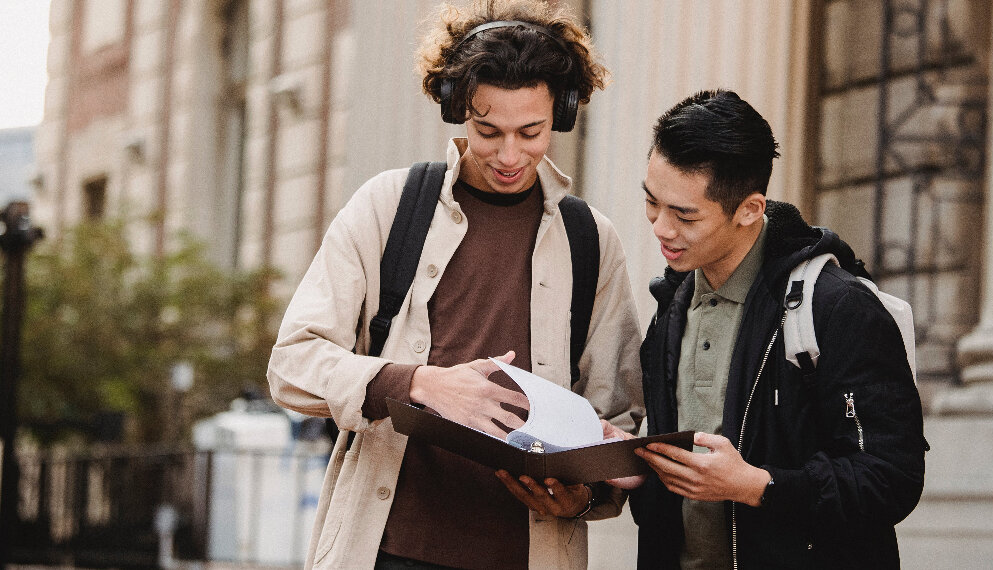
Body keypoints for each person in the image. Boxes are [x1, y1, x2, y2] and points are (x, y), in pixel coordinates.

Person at [266, 1, 644, 569]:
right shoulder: (388, 206)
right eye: (488, 130)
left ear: (562, 114)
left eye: (531, 131)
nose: (510, 154)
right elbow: (291, 365)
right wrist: (418, 384)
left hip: (528, 553)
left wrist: (586, 494)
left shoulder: (592, 242)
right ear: (456, 110)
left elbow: (619, 419)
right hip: (386, 551)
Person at [607, 89, 926, 569]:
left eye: (684, 214)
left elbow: (890, 478)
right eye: (653, 202)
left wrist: (757, 486)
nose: (660, 227)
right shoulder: (670, 304)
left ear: (750, 210)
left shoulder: (838, 307)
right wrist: (631, 464)